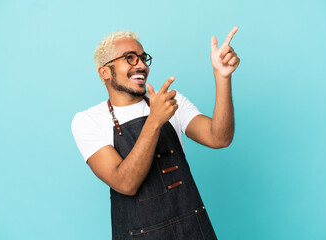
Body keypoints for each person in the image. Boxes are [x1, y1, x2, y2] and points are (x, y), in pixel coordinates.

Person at [71, 27, 240, 240]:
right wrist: (155, 120)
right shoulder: (88, 120)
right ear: (105, 71)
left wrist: (222, 77)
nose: (141, 65)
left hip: (193, 230)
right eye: (129, 58)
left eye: (143, 58)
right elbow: (125, 183)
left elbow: (219, 138)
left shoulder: (170, 102)